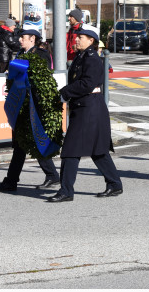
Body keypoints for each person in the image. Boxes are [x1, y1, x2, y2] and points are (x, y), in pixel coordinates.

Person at [48, 24, 123, 202]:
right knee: (98, 150)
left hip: (89, 108)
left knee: (70, 150)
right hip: (86, 107)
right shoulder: (81, 56)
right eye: (77, 36)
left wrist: (64, 93)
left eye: (81, 37)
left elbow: (87, 84)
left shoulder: (92, 58)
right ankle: (114, 184)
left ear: (91, 40)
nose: (77, 38)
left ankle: (66, 191)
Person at [0, 24, 60, 192]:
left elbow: (41, 81)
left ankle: (49, 176)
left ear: (33, 39)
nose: (20, 39)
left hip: (33, 106)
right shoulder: (21, 54)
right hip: (22, 105)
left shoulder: (41, 55)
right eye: (20, 37)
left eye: (23, 37)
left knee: (32, 142)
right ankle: (12, 180)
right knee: (21, 145)